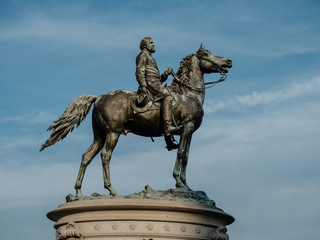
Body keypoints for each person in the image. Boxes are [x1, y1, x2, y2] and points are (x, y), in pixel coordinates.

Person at [135, 37, 181, 151]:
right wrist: (144, 86)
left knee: (170, 95)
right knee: (167, 96)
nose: (154, 44)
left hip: (155, 84)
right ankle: (168, 128)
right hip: (150, 85)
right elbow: (140, 72)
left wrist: (165, 74)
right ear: (145, 45)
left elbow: (158, 79)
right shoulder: (143, 56)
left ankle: (168, 140)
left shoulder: (151, 59)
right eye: (151, 43)